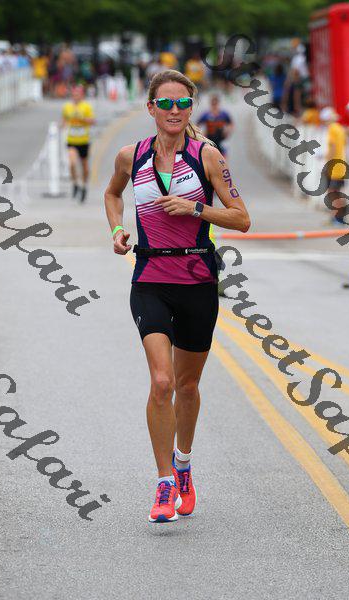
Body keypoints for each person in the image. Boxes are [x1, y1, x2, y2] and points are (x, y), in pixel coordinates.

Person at [104, 69, 250, 523]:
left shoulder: (207, 157)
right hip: (150, 277)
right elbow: (112, 195)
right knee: (162, 382)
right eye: (165, 103)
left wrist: (195, 208)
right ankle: (164, 481)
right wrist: (116, 229)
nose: (174, 110)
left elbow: (242, 218)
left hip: (197, 279)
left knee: (187, 386)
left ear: (191, 108)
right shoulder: (131, 156)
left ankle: (183, 464)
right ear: (150, 107)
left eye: (182, 103)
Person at [62, 85, 95, 202]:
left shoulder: (86, 107)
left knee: (84, 165)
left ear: (82, 95)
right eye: (74, 94)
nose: (75, 96)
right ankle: (75, 183)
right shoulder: (67, 107)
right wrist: (61, 126)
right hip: (72, 140)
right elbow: (64, 120)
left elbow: (92, 121)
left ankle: (84, 186)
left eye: (78, 94)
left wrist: (82, 118)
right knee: (72, 163)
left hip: (83, 140)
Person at [319, 107, 348, 224]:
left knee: (332, 193)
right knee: (337, 193)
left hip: (335, 167)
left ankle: (337, 219)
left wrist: (327, 162)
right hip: (341, 165)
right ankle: (338, 218)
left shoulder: (332, 129)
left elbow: (333, 147)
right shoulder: (340, 128)